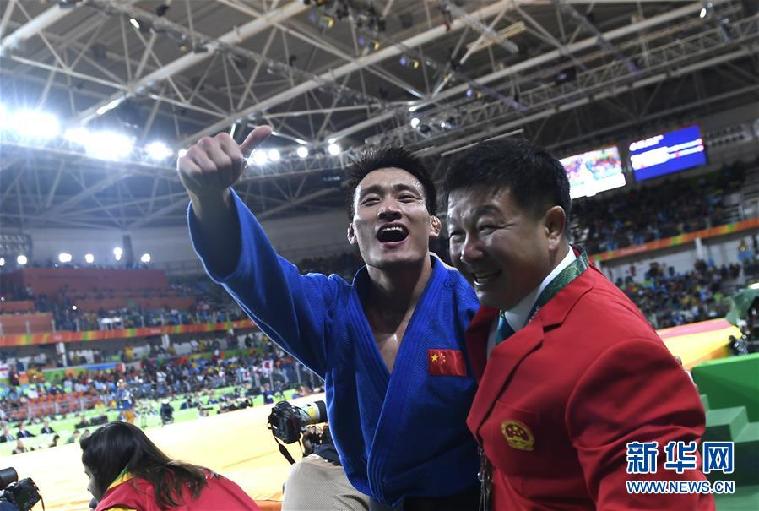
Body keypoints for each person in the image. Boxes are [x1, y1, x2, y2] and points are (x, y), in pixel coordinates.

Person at [178, 128, 480, 509]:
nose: (389, 208)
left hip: (463, 498)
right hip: (369, 490)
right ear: (352, 232)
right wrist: (210, 199)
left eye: (406, 197)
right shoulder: (331, 310)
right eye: (371, 200)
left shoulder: (472, 309)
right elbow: (257, 276)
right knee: (305, 479)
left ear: (434, 224)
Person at [444, 139, 714, 510]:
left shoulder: (618, 354)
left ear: (552, 226)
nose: (466, 251)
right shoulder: (501, 307)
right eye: (456, 233)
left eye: (486, 227)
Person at [80, 421, 260, 511]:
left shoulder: (125, 502)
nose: (89, 488)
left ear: (107, 472)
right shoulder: (200, 475)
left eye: (90, 476)